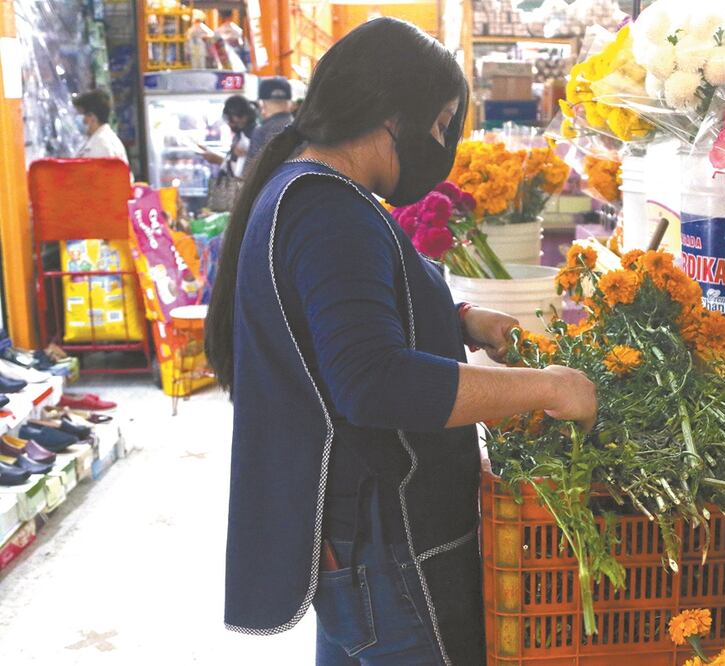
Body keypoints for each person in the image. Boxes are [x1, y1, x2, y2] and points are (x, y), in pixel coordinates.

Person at [205, 17, 597, 666]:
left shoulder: (305, 190)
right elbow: (374, 382)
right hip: (390, 546)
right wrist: (550, 387)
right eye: (441, 123)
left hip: (354, 542)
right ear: (392, 113)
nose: (440, 143)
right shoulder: (329, 212)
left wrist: (461, 319)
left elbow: (342, 323)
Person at [199, 95, 257, 178]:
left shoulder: (249, 136)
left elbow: (240, 174)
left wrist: (219, 160)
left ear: (244, 117)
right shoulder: (240, 135)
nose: (229, 123)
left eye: (230, 119)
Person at [72, 90, 129, 165]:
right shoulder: (102, 139)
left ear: (92, 117)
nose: (77, 119)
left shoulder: (101, 146)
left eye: (80, 114)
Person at [246, 77, 294, 161]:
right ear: (289, 103)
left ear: (262, 104)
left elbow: (250, 170)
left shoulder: (261, 132)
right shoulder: (301, 128)